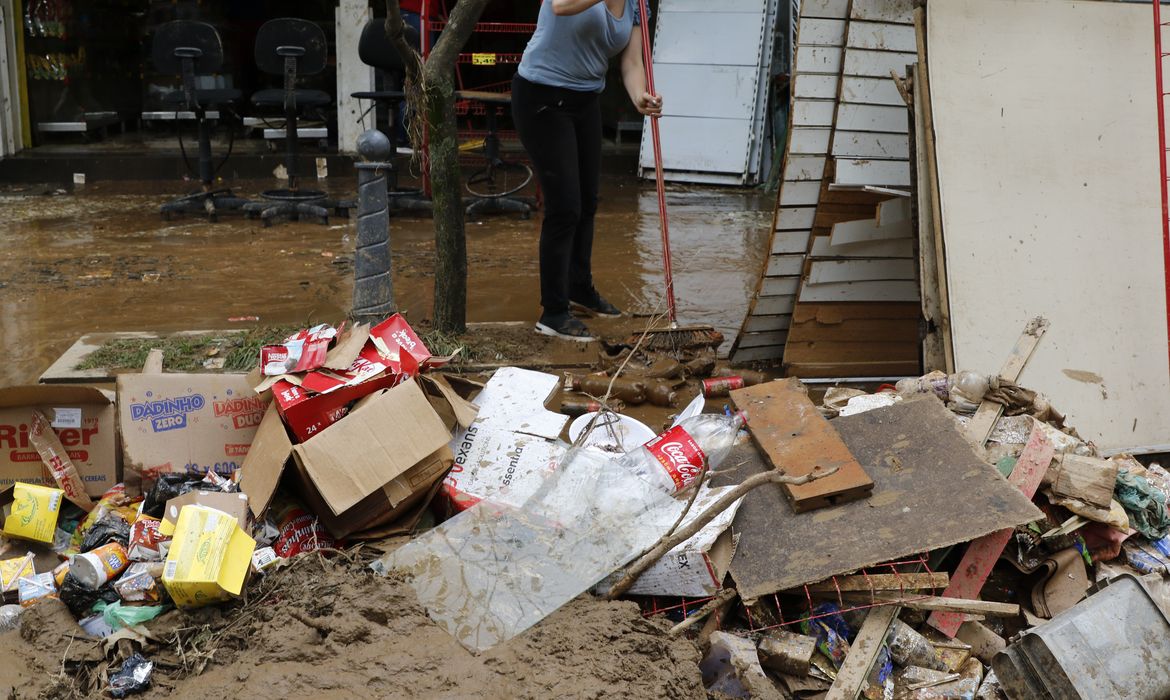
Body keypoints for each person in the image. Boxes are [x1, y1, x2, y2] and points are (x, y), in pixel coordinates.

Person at [512, 0, 663, 341]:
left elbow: (632, 61)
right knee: (565, 207)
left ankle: (578, 288)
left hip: (584, 100)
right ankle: (552, 313)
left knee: (587, 203)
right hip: (542, 96)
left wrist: (640, 96)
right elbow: (562, 6)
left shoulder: (637, 3)